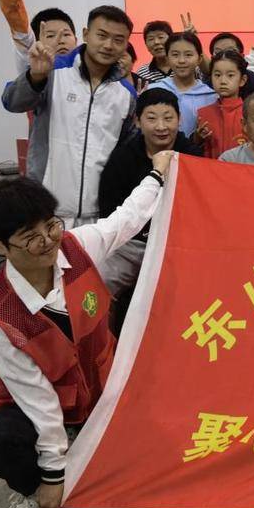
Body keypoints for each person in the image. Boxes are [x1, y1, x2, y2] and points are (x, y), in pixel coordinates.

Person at [0, 157, 173, 508]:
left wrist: (157, 174)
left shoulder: (74, 248)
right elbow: (38, 400)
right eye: (30, 236)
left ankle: (85, 442)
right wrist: (51, 475)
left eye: (50, 225)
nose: (47, 241)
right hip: (49, 406)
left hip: (105, 385)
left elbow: (126, 219)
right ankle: (32, 494)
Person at [1, 5, 137, 225]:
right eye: (102, 35)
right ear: (85, 34)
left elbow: (124, 151)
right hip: (46, 210)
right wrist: (35, 77)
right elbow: (12, 102)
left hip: (99, 215)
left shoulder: (126, 94)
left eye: (118, 40)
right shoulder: (53, 72)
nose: (108, 45)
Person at [98, 89, 199, 331]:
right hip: (132, 244)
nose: (161, 126)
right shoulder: (123, 157)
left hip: (179, 246)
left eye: (168, 118)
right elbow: (109, 209)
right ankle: (103, 345)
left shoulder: (194, 155)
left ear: (179, 119)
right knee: (97, 281)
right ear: (138, 121)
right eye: (152, 118)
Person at [147, 32, 217, 137]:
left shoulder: (211, 96)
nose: (181, 61)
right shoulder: (153, 90)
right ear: (167, 58)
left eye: (188, 55)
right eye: (175, 55)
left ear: (199, 59)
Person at [196, 49, 250, 158]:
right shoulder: (203, 113)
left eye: (230, 75)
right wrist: (197, 138)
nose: (223, 81)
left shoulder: (250, 113)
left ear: (242, 80)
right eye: (217, 75)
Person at [205, 32, 254, 98]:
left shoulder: (253, 81)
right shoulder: (206, 87)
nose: (224, 56)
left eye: (231, 51)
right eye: (218, 52)